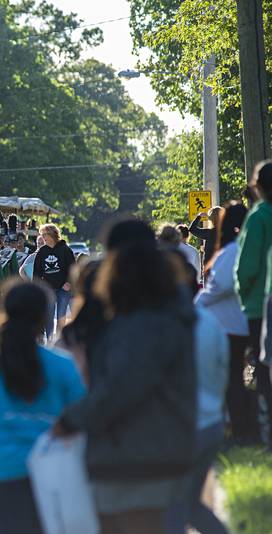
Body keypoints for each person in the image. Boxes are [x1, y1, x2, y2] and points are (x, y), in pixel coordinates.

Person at [54, 222, 197, 534]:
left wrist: (68, 420)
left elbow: (121, 387)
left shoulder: (143, 322)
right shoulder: (166, 308)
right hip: (158, 450)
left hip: (134, 457)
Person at [0, 280, 87, 534]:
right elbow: (85, 413)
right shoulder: (62, 365)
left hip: (1, 470)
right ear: (43, 316)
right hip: (54, 470)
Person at [167, 261, 230, 534]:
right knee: (189, 504)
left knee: (174, 508)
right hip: (212, 423)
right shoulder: (209, 322)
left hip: (179, 429)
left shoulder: (160, 325)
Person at [196, 202, 257, 442]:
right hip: (241, 322)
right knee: (237, 376)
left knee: (230, 378)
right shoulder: (249, 247)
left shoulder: (231, 251)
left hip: (228, 326)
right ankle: (241, 427)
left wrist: (197, 303)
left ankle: (239, 429)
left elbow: (219, 286)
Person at [235, 159, 272, 445]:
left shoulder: (259, 216)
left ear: (258, 187)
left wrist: (243, 293)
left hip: (260, 302)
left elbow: (246, 266)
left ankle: (265, 428)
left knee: (264, 366)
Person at [33, 224, 75, 339]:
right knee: (48, 315)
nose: (43, 237)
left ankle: (59, 339)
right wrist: (37, 287)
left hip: (63, 289)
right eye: (42, 235)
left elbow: (73, 269)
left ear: (53, 234)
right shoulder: (41, 252)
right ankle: (50, 337)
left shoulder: (65, 249)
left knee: (61, 315)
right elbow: (37, 272)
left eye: (45, 235)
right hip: (48, 289)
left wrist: (69, 282)